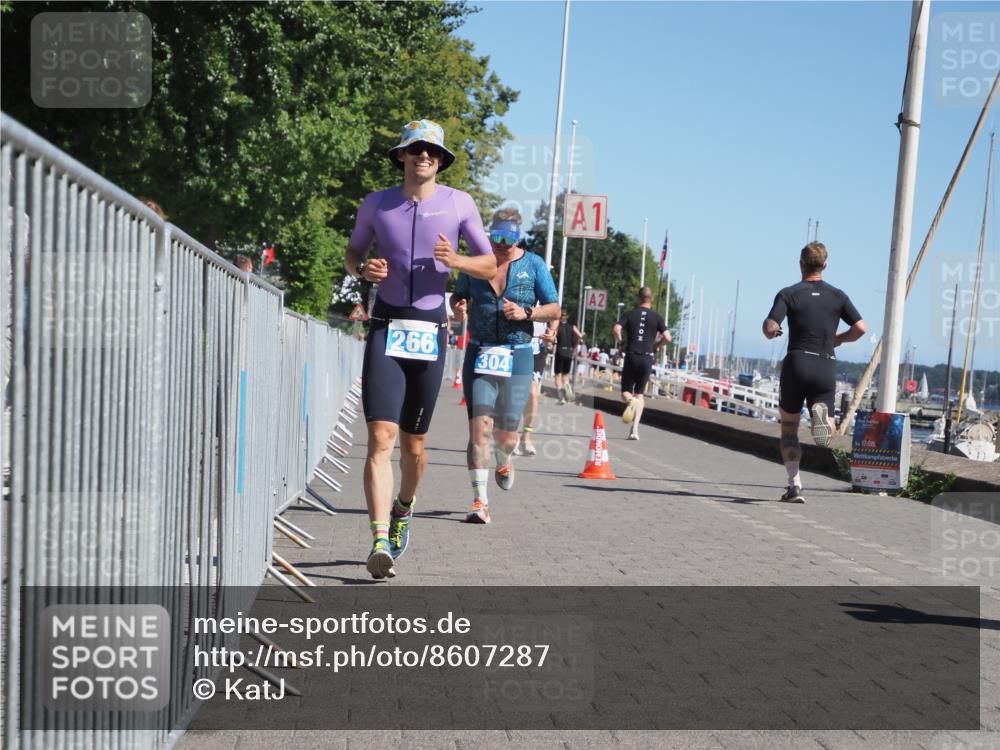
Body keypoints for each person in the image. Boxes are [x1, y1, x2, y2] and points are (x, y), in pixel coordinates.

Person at [345, 119, 496, 578]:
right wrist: (362, 270)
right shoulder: (377, 203)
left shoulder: (459, 203)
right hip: (386, 324)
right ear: (402, 156)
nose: (423, 156)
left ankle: (404, 507)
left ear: (441, 159)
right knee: (380, 439)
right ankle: (378, 539)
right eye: (415, 150)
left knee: (414, 446)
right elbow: (352, 253)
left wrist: (457, 261)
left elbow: (489, 263)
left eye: (432, 151)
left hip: (430, 327)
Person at [450, 208, 560, 524]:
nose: (501, 245)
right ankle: (480, 501)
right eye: (496, 238)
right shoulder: (475, 264)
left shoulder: (534, 265)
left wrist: (526, 314)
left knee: (506, 435)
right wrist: (457, 307)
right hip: (481, 352)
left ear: (518, 238)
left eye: (508, 240)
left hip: (518, 354)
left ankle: (504, 459)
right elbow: (457, 297)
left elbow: (554, 308)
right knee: (479, 427)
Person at [762, 242, 866, 504]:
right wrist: (838, 340)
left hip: (797, 362)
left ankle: (794, 484)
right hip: (825, 363)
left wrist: (771, 331)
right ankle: (825, 422)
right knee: (828, 421)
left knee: (788, 428)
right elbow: (861, 328)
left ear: (801, 264)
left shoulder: (788, 294)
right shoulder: (838, 295)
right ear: (825, 265)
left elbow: (770, 324)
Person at [613, 287, 670, 441]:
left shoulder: (630, 314)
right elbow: (668, 338)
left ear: (639, 299)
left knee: (626, 391)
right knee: (640, 394)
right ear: (650, 299)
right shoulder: (657, 317)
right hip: (647, 358)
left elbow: (616, 328)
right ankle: (634, 430)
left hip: (631, 356)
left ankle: (630, 402)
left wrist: (620, 343)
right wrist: (657, 346)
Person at [516, 317, 555, 457]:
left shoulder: (545, 295)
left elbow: (554, 315)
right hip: (515, 343)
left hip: (536, 348)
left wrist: (552, 331)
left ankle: (525, 437)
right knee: (513, 392)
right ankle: (510, 433)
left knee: (532, 393)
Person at [553, 309, 583, 404]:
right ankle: (567, 384)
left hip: (560, 351)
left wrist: (552, 342)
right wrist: (575, 345)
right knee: (565, 375)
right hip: (569, 352)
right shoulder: (572, 326)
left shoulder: (557, 326)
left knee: (558, 375)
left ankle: (561, 397)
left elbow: (553, 336)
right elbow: (580, 335)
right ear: (567, 317)